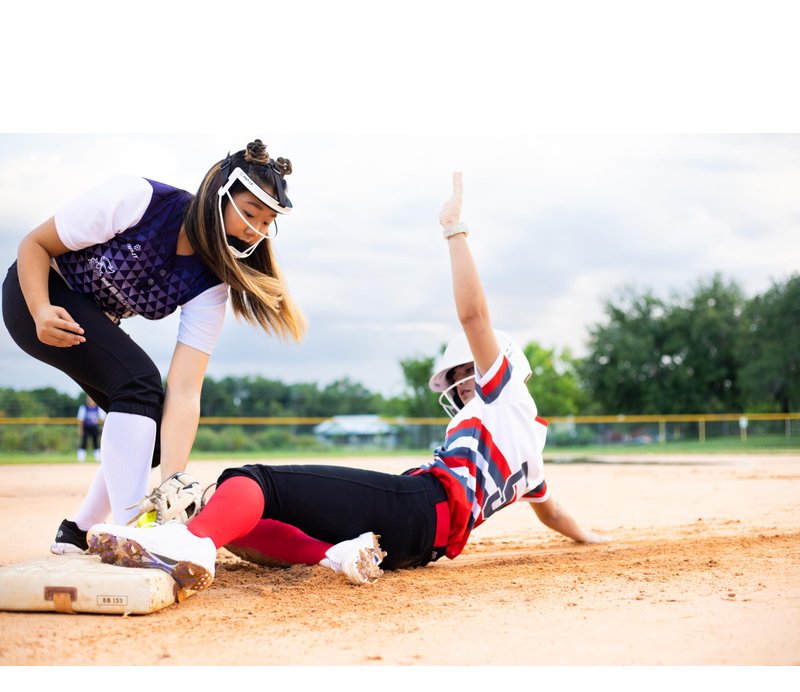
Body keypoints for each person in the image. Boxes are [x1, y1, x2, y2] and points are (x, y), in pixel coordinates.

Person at [87, 172, 609, 590]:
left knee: (250, 480)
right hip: (414, 548)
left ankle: (186, 545)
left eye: (472, 374)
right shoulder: (531, 452)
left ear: (504, 366)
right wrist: (589, 538)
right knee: (247, 523)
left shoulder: (506, 397)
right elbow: (553, 512)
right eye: (461, 380)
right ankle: (335, 555)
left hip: (416, 503)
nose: (468, 386)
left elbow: (474, 318)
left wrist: (455, 230)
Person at [2, 139, 305, 555]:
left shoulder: (210, 284)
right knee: (139, 383)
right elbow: (33, 244)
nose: (256, 230)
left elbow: (185, 389)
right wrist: (39, 309)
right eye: (249, 213)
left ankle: (78, 530)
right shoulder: (140, 200)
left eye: (267, 222)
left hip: (88, 324)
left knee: (156, 431)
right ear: (216, 196)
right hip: (35, 294)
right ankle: (131, 531)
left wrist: (172, 483)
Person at [76, 394, 105, 462]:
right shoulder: (83, 408)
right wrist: (80, 430)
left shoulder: (98, 408)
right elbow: (81, 421)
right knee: (84, 442)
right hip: (86, 428)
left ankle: (98, 458)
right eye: (89, 399)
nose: (90, 400)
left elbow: (103, 419)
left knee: (96, 443)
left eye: (91, 399)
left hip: (95, 428)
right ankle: (81, 458)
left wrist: (102, 428)